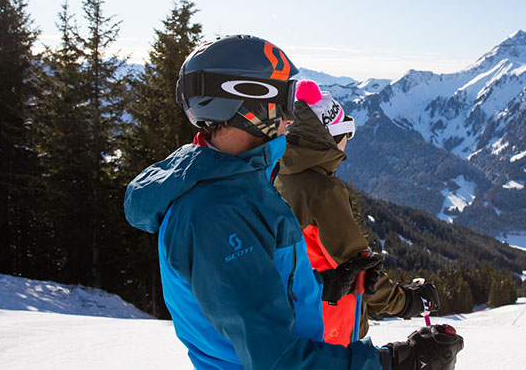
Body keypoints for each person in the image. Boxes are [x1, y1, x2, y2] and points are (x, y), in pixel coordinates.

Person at [123, 35, 464, 370]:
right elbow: (277, 359)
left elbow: (259, 287)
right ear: (249, 101)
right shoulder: (216, 212)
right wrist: (396, 361)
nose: (291, 117)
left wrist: (330, 284)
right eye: (286, 100)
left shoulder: (242, 186)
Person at [275, 80, 442, 346]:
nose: (347, 144)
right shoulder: (322, 191)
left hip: (292, 319)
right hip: (330, 325)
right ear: (328, 139)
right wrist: (410, 301)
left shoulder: (277, 173)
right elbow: (360, 271)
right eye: (346, 135)